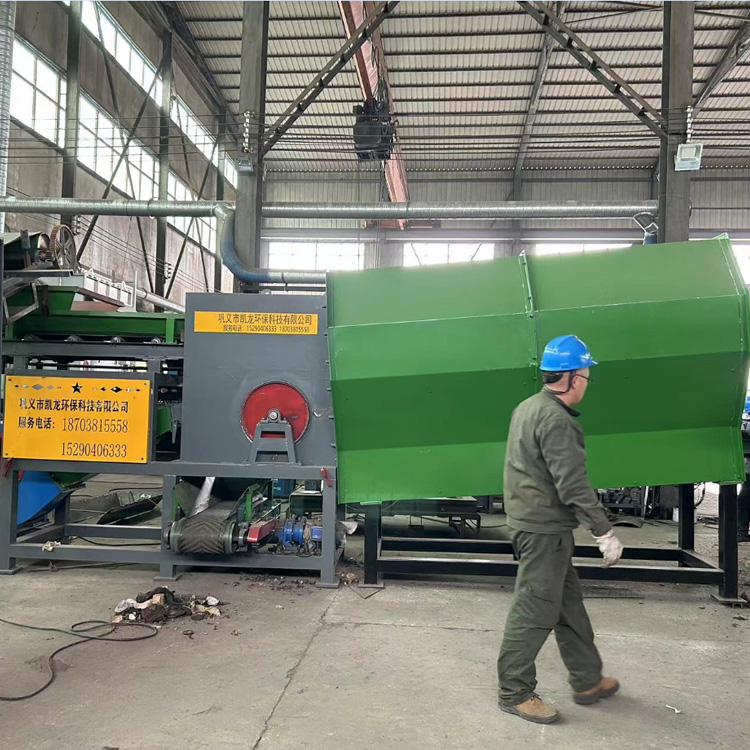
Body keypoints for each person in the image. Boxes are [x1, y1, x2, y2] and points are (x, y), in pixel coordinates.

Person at [497, 334, 624, 725]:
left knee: (569, 607)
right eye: (585, 375)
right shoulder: (556, 420)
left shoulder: (529, 406)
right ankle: (515, 691)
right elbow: (573, 485)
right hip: (542, 530)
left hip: (538, 524)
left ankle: (587, 680)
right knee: (534, 609)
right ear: (570, 378)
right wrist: (604, 532)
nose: (586, 383)